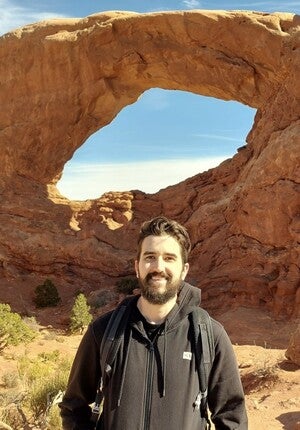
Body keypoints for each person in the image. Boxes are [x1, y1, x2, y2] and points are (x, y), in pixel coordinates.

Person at [59, 216, 248, 430]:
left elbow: (232, 416)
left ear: (184, 270)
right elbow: (74, 407)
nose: (158, 267)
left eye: (169, 258)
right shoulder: (104, 331)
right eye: (150, 257)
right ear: (137, 266)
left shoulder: (209, 335)